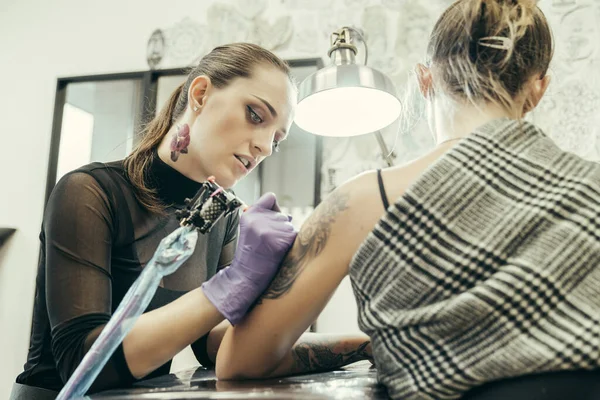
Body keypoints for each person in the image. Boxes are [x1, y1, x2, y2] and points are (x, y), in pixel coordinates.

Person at [215, 2, 600, 399]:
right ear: (539, 89)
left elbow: (240, 362)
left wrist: (365, 344)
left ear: (424, 79)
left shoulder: (361, 202)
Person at [12, 43, 372, 399]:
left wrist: (364, 344)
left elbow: (221, 344)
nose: (264, 146)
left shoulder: (223, 216)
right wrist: (233, 284)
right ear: (200, 93)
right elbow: (84, 365)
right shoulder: (89, 192)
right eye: (256, 115)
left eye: (277, 140)